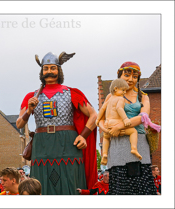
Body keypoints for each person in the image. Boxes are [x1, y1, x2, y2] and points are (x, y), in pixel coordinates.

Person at [16, 52, 98, 195]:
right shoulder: (31, 97)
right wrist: (29, 110)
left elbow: (94, 116)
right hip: (42, 145)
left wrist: (84, 135)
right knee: (41, 183)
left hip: (68, 143)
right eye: (46, 68)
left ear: (59, 70)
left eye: (52, 68)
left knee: (70, 182)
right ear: (41, 71)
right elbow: (19, 124)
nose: (49, 72)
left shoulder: (72, 93)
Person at [98, 61, 157, 195]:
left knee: (142, 184)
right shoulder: (110, 96)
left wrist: (120, 125)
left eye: (135, 77)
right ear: (119, 76)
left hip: (138, 141)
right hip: (117, 144)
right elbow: (100, 119)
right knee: (120, 184)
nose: (130, 79)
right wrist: (106, 130)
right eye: (127, 75)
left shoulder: (143, 96)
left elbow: (144, 116)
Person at [96, 78, 142, 165]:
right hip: (116, 123)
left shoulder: (109, 99)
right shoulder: (120, 99)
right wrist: (125, 119)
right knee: (133, 131)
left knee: (106, 137)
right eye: (123, 90)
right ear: (116, 89)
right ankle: (134, 148)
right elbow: (119, 108)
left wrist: (98, 119)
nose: (125, 92)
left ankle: (105, 154)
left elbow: (102, 109)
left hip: (107, 124)